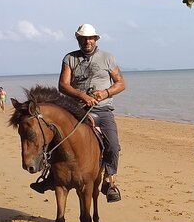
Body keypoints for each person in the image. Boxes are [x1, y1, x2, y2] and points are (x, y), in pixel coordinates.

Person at [30, 23, 126, 202]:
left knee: (113, 144)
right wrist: (82, 95)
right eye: (83, 39)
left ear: (95, 39)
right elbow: (63, 85)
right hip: (75, 109)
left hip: (102, 108)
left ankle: (109, 180)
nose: (86, 41)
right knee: (56, 138)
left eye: (90, 38)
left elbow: (121, 83)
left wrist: (105, 93)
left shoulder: (108, 58)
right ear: (78, 40)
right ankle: (50, 176)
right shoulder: (69, 58)